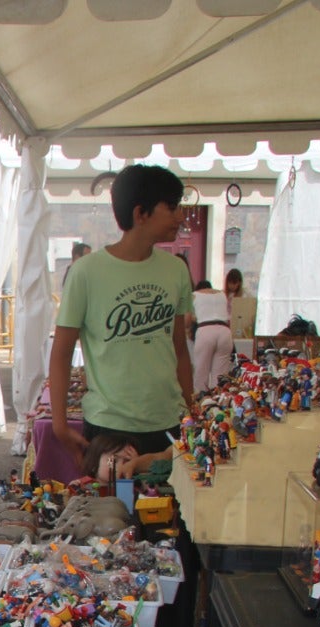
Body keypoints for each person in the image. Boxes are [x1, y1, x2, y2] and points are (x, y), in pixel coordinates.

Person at [47, 164, 196, 467]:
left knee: (171, 511)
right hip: (108, 426)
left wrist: (192, 410)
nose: (180, 216)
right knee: (109, 512)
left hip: (167, 421)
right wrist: (59, 425)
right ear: (141, 213)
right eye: (172, 207)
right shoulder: (86, 273)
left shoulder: (177, 270)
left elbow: (179, 348)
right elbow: (61, 353)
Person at [189, 278, 233, 392]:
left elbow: (187, 320)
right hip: (225, 331)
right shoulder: (222, 294)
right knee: (220, 378)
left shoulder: (194, 295)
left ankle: (200, 404)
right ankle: (219, 402)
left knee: (201, 375)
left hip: (205, 330)